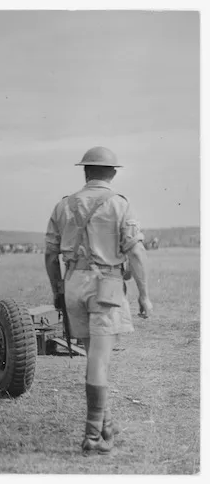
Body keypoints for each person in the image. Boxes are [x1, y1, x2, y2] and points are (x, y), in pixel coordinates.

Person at [44, 146, 152, 455]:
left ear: (85, 171)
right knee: (100, 361)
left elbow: (51, 255)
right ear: (113, 172)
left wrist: (57, 290)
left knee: (93, 358)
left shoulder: (63, 206)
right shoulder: (119, 205)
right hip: (106, 284)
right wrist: (144, 294)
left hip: (73, 284)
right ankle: (92, 436)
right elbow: (136, 252)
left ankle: (104, 424)